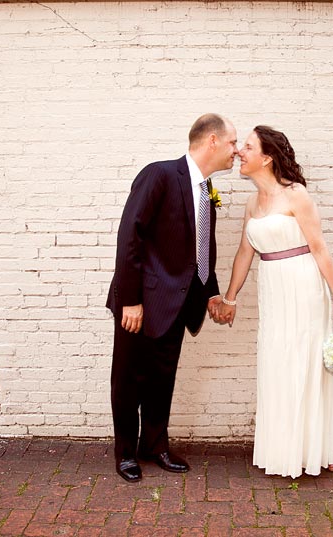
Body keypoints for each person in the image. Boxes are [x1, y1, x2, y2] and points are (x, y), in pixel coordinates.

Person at [106, 114, 238, 482]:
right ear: (212, 140)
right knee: (129, 379)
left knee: (162, 378)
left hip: (179, 303)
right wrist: (130, 300)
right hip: (141, 303)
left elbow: (201, 250)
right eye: (232, 143)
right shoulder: (160, 175)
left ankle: (155, 445)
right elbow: (129, 237)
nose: (236, 151)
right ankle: (125, 453)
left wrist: (210, 293)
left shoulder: (206, 190)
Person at [218, 125, 333, 478]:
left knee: (307, 362)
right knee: (278, 361)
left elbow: (320, 248)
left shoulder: (297, 195)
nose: (239, 152)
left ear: (267, 158)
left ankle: (322, 444)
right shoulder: (252, 202)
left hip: (304, 285)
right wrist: (230, 298)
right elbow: (245, 253)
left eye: (247, 147)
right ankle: (285, 446)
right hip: (274, 288)